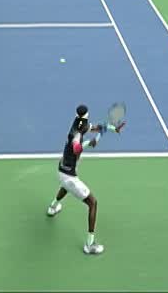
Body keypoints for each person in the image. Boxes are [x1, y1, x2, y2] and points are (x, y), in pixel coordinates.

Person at [46, 105, 124, 255]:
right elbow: (76, 148)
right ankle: (90, 245)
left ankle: (52, 207)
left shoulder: (78, 123)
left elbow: (96, 128)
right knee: (93, 203)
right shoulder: (77, 134)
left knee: (66, 186)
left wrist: (113, 128)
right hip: (69, 176)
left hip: (62, 171)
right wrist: (89, 144)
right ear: (86, 116)